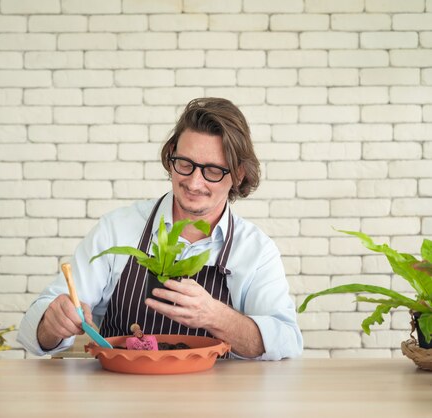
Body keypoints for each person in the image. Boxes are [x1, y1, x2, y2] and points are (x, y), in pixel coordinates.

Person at [17, 98, 303, 360]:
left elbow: (287, 342)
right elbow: (35, 334)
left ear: (238, 174)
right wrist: (52, 321)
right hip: (122, 398)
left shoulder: (255, 250)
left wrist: (216, 316)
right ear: (170, 156)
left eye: (213, 171)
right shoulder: (118, 229)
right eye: (185, 164)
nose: (194, 183)